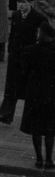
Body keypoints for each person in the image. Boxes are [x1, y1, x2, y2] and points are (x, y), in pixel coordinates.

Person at [0, 0, 48, 124]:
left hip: (29, 58)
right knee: (11, 86)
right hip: (15, 57)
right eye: (19, 3)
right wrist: (10, 50)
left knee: (30, 87)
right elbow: (13, 34)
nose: (21, 5)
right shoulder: (16, 16)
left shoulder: (38, 17)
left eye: (24, 3)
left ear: (30, 3)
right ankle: (5, 114)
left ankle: (34, 116)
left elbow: (46, 35)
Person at [20, 21, 55, 169]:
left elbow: (24, 71)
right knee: (49, 128)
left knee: (36, 127)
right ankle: (49, 159)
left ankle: (39, 159)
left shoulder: (30, 50)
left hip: (34, 92)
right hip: (51, 92)